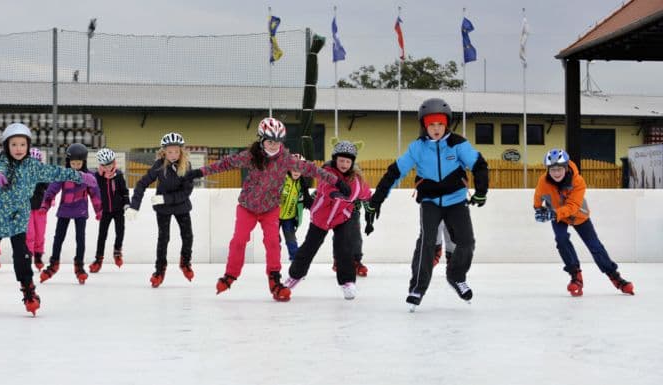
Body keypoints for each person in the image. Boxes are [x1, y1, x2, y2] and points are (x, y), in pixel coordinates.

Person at [182, 117, 350, 301]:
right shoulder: (250, 156)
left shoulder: (286, 160)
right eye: (270, 141)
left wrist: (337, 181)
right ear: (262, 140)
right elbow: (225, 164)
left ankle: (275, 281)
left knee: (272, 243)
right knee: (239, 240)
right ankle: (230, 275)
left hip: (270, 209)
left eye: (277, 141)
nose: (273, 145)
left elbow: (312, 169)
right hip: (247, 207)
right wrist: (198, 173)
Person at [366, 98, 489, 311]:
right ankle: (418, 288)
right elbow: (394, 172)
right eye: (431, 124)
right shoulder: (417, 148)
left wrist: (481, 192)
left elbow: (479, 164)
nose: (436, 129)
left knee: (467, 241)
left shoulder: (458, 144)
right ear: (425, 125)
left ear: (446, 124)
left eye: (440, 124)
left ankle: (456, 276)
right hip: (430, 202)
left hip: (456, 201)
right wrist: (376, 201)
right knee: (427, 242)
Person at [0, 123, 93, 316]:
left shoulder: (33, 166)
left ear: (28, 146)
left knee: (22, 257)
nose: (19, 149)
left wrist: (79, 176)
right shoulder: (3, 162)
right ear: (7, 146)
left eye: (22, 144)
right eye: (14, 144)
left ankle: (29, 291)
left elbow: (56, 172)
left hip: (18, 219)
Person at [533, 148, 634, 296]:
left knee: (595, 246)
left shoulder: (578, 181)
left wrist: (553, 213)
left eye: (559, 169)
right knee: (561, 240)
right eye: (552, 169)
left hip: (578, 215)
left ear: (566, 167)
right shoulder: (543, 180)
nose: (556, 173)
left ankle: (615, 277)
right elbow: (538, 195)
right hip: (557, 216)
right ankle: (575, 275)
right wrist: (537, 209)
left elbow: (573, 206)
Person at [284, 141, 371, 300]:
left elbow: (365, 193)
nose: (344, 164)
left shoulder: (356, 179)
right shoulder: (327, 171)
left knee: (344, 247)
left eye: (347, 161)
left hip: (342, 217)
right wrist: (334, 193)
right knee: (309, 247)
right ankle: (295, 276)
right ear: (335, 159)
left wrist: (373, 201)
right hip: (321, 217)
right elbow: (324, 185)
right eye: (341, 160)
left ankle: (347, 283)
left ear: (352, 163)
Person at [129, 132, 195, 287]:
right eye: (169, 152)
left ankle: (185, 262)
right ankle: (159, 270)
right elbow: (141, 184)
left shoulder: (187, 166)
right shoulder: (158, 166)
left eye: (176, 151)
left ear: (181, 151)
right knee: (163, 238)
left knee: (188, 236)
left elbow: (186, 192)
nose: (173, 155)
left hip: (180, 205)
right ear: (164, 151)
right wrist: (134, 206)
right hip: (163, 209)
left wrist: (166, 198)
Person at [39, 143, 102, 285]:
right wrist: (45, 206)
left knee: (80, 239)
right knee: (58, 238)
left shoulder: (88, 177)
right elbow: (51, 190)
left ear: (84, 162)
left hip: (81, 211)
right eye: (72, 163)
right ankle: (53, 264)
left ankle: (79, 266)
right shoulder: (63, 175)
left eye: (78, 163)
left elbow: (95, 194)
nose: (75, 166)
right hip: (65, 211)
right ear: (68, 162)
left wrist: (99, 211)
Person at [89, 147, 130, 273]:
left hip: (118, 210)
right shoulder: (96, 177)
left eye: (110, 164)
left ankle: (117, 252)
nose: (108, 168)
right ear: (100, 165)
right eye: (104, 165)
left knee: (120, 231)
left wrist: (127, 204)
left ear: (114, 162)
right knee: (102, 236)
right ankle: (98, 260)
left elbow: (124, 192)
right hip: (105, 211)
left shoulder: (118, 175)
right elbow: (93, 192)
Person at [279, 153, 313, 261]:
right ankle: (274, 264)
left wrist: (316, 207)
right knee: (273, 241)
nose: (296, 171)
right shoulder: (281, 179)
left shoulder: (302, 184)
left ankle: (296, 263)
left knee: (291, 241)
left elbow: (307, 200)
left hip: (289, 218)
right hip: (273, 217)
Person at [26, 148, 50, 271]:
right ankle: (29, 255)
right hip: (26, 208)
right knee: (29, 234)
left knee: (40, 233)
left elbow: (50, 188)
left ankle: (38, 255)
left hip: (40, 208)